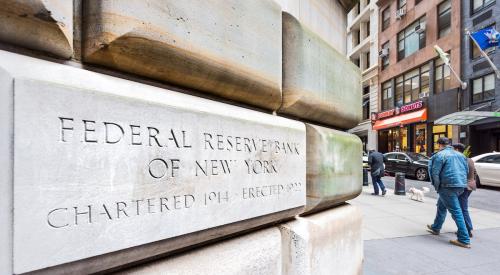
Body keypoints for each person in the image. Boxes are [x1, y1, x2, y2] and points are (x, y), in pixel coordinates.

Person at [427, 137, 470, 248]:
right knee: (441, 205)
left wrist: (437, 187)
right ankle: (436, 227)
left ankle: (464, 239)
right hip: (460, 185)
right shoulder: (461, 155)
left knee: (456, 211)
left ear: (439, 144)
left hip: (447, 186)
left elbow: (435, 173)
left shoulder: (439, 155)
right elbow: (466, 170)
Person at [452, 143, 477, 237]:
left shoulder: (460, 159)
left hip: (464, 186)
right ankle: (465, 228)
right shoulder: (470, 160)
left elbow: (459, 173)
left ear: (457, 150)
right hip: (470, 185)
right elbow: (474, 172)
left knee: (462, 208)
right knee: (461, 208)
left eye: (453, 149)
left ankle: (467, 229)